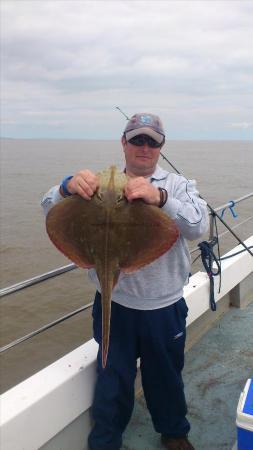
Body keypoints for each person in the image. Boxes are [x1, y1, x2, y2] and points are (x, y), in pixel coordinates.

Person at [41, 113, 209, 450]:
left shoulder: (177, 185)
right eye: (137, 140)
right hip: (114, 305)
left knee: (165, 376)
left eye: (152, 141)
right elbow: (48, 208)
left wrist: (158, 198)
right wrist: (66, 185)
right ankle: (105, 441)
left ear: (161, 146)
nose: (144, 147)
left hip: (164, 307)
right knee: (112, 379)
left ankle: (174, 432)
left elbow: (198, 226)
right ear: (124, 142)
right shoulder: (96, 185)